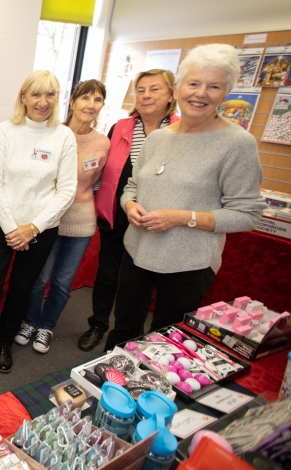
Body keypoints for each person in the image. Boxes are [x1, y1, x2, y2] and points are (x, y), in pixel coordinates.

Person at [103, 44, 264, 350]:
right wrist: (130, 204)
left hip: (188, 263)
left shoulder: (237, 143)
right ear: (178, 88)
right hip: (137, 252)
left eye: (213, 86)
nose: (200, 93)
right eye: (194, 83)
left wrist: (181, 217)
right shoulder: (158, 137)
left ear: (226, 92)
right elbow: (132, 186)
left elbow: (248, 214)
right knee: (123, 328)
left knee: (168, 340)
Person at [0, 70, 77, 375]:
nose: (42, 102)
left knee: (21, 290)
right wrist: (12, 229)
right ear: (24, 98)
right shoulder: (5, 131)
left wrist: (33, 227)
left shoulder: (64, 136)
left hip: (40, 230)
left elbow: (66, 189)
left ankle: (3, 343)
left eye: (50, 95)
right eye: (36, 94)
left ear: (57, 99)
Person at [77, 69, 180, 352]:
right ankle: (98, 324)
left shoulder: (180, 129)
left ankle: (138, 337)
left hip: (156, 218)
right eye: (142, 90)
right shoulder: (122, 126)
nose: (146, 95)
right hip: (116, 212)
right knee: (107, 274)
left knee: (141, 280)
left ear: (171, 94)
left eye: (155, 89)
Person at [18, 80, 110, 354]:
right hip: (47, 220)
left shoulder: (103, 143)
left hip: (80, 221)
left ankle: (46, 326)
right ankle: (30, 320)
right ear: (72, 101)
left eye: (97, 100)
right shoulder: (52, 133)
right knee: (40, 277)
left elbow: (96, 182)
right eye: (85, 98)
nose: (90, 105)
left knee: (62, 281)